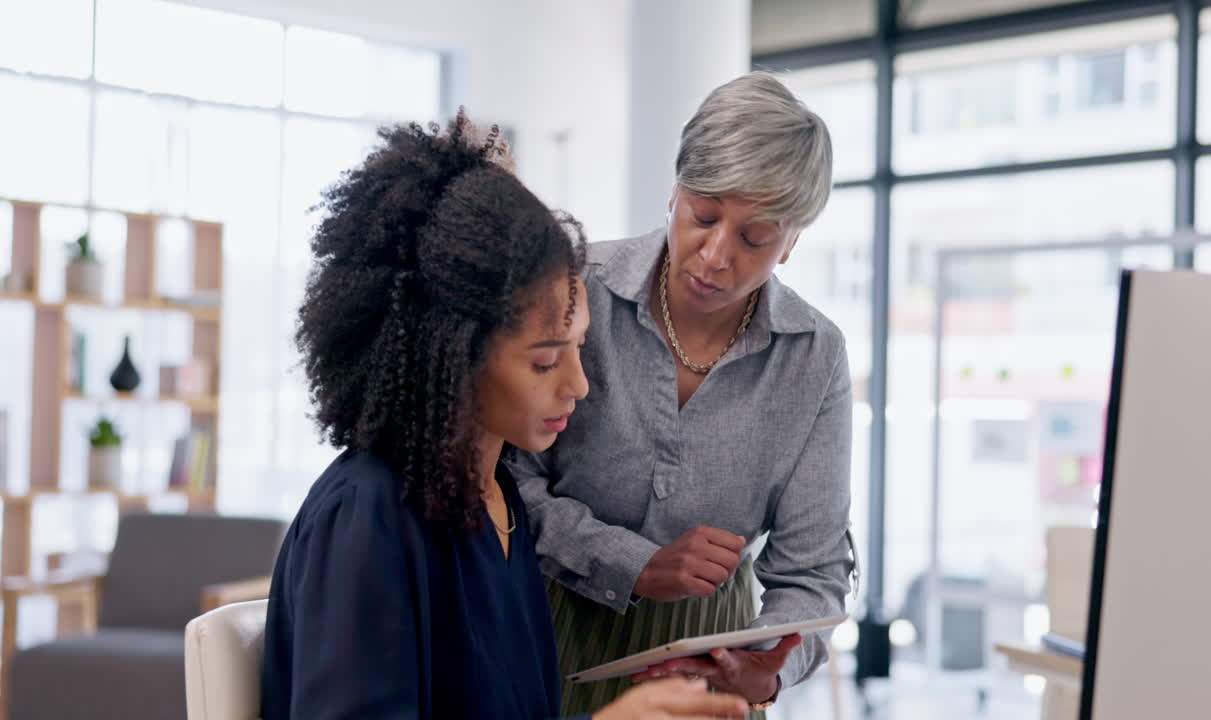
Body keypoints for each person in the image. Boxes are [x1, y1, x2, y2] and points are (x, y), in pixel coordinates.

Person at [260, 110, 748, 720]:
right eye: (545, 361)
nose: (578, 385)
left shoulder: (500, 500)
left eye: (579, 348)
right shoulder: (366, 515)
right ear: (451, 356)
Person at [512, 72, 858, 717]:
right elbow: (506, 483)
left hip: (713, 664)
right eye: (703, 216)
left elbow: (813, 572)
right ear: (673, 194)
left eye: (755, 237)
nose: (716, 255)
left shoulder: (815, 354)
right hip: (543, 624)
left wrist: (767, 670)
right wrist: (633, 564)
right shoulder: (579, 289)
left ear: (791, 244)